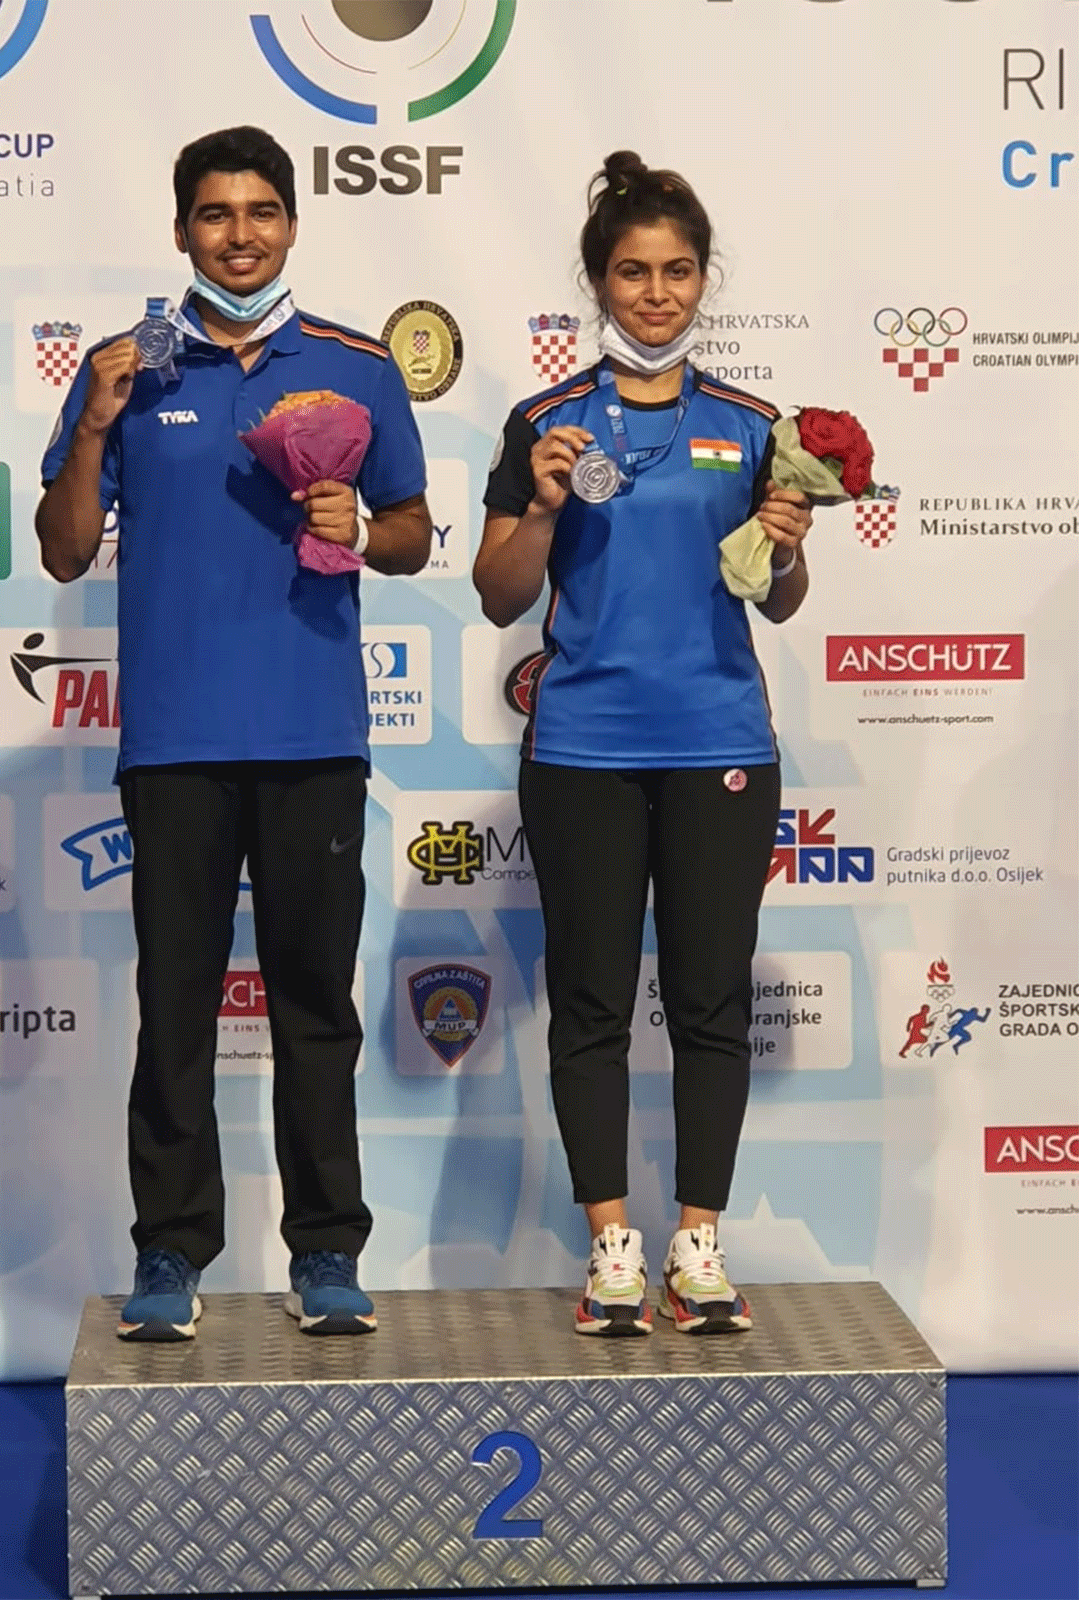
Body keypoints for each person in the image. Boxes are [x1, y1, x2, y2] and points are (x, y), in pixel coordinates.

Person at [36, 126, 431, 1341]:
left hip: (314, 734)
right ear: (181, 231)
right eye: (216, 214)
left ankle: (325, 1252)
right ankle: (171, 1253)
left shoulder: (359, 367)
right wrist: (98, 422)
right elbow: (60, 546)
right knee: (179, 1002)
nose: (241, 233)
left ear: (294, 225)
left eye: (262, 210)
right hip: (175, 741)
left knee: (318, 1002)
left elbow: (416, 531)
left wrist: (358, 524)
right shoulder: (125, 369)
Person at [474, 151, 812, 1337]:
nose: (657, 293)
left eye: (677, 272)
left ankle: (698, 1244)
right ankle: (612, 1244)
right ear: (599, 283)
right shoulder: (544, 423)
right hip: (582, 747)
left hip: (720, 738)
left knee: (712, 997)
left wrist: (784, 537)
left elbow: (779, 600)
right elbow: (496, 589)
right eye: (633, 272)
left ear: (704, 281)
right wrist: (547, 505)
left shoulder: (756, 426)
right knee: (593, 1003)